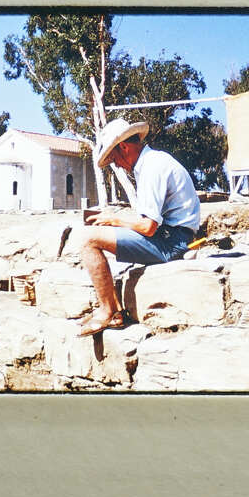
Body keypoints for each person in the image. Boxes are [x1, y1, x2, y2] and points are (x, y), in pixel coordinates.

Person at [77, 117, 201, 337]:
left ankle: (108, 311)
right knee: (95, 234)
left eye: (115, 159)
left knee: (89, 240)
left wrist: (114, 221)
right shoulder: (151, 163)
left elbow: (148, 227)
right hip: (172, 236)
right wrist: (115, 220)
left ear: (124, 147)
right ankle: (113, 310)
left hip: (172, 243)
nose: (117, 165)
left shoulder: (153, 167)